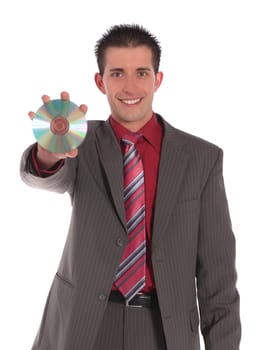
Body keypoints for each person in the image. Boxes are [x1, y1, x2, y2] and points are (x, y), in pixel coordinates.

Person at [20, 24, 241, 350]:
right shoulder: (81, 143)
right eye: (117, 73)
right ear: (101, 81)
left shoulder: (202, 158)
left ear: (158, 79)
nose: (130, 86)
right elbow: (49, 173)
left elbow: (217, 277)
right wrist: (50, 150)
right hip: (84, 325)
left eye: (141, 72)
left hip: (164, 330)